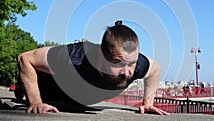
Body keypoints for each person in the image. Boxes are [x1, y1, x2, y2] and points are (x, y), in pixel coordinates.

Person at [16, 20, 168, 115]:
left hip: (76, 101)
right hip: (47, 90)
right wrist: (35, 102)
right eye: (118, 63)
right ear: (101, 56)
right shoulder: (74, 57)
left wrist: (148, 103)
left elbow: (155, 69)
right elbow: (25, 58)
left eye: (132, 63)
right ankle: (21, 87)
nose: (128, 72)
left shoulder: (135, 63)